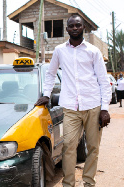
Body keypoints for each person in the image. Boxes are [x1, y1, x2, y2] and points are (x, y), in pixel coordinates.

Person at [35, 15, 112, 187]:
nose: (75, 28)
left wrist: (105, 108)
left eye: (78, 25)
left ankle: (88, 182)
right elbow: (50, 74)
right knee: (68, 146)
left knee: (93, 147)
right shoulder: (59, 51)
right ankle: (68, 184)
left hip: (93, 105)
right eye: (71, 26)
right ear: (67, 29)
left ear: (83, 27)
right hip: (70, 107)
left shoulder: (93, 51)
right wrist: (46, 94)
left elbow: (103, 81)